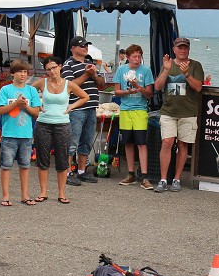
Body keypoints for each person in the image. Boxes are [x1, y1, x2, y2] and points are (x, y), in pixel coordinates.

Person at [32, 56, 89, 204]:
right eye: (48, 69)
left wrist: (71, 107)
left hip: (62, 124)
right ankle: (43, 191)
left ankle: (61, 193)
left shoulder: (69, 84)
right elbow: (29, 92)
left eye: (54, 68)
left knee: (62, 159)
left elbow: (85, 97)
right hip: (43, 123)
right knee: (42, 158)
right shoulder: (42, 82)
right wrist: (37, 103)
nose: (52, 71)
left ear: (60, 66)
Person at [153, 37, 204, 193]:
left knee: (183, 145)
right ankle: (163, 179)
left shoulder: (195, 65)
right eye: (180, 48)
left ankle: (176, 179)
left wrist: (187, 74)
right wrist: (166, 70)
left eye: (185, 48)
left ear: (188, 50)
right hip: (168, 111)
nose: (183, 50)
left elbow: (198, 88)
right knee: (167, 143)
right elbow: (157, 86)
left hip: (188, 112)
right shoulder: (168, 65)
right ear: (174, 49)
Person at [0, 60, 41, 207]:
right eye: (20, 71)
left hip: (26, 135)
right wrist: (15, 104)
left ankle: (24, 195)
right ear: (12, 73)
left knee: (25, 166)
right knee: (6, 166)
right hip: (9, 134)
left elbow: (36, 113)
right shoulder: (5, 90)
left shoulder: (32, 91)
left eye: (25, 72)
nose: (23, 74)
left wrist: (25, 106)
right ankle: (6, 195)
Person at [62, 36, 105, 186]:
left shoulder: (90, 62)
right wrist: (86, 74)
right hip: (77, 108)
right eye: (82, 46)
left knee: (86, 141)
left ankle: (81, 171)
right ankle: (67, 172)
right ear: (73, 48)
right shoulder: (68, 64)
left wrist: (93, 74)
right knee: (72, 141)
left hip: (92, 107)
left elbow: (102, 84)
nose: (85, 48)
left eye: (86, 46)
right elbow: (69, 85)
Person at [112, 44, 155, 189]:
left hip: (140, 110)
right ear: (128, 57)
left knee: (141, 143)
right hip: (125, 110)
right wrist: (128, 92)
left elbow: (149, 94)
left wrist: (138, 87)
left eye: (139, 56)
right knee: (128, 143)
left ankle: (144, 176)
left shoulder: (146, 70)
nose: (137, 59)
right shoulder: (121, 70)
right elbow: (116, 92)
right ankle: (131, 174)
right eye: (134, 57)